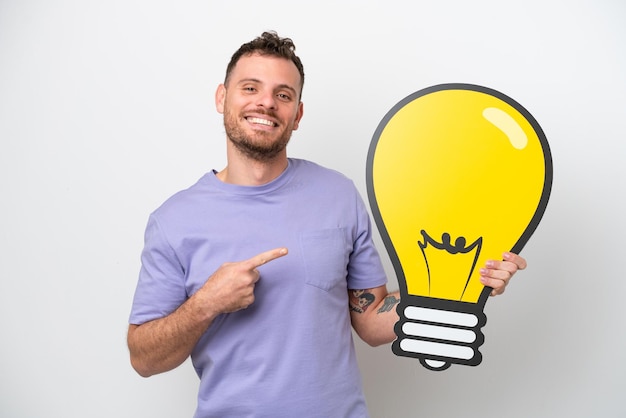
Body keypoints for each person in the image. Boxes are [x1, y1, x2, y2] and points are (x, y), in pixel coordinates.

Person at [127, 31, 527, 418]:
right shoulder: (174, 221)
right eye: (250, 88)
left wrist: (464, 283)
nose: (266, 103)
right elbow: (143, 358)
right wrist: (207, 303)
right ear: (222, 97)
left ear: (297, 113)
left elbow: (370, 320)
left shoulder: (338, 194)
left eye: (283, 95)